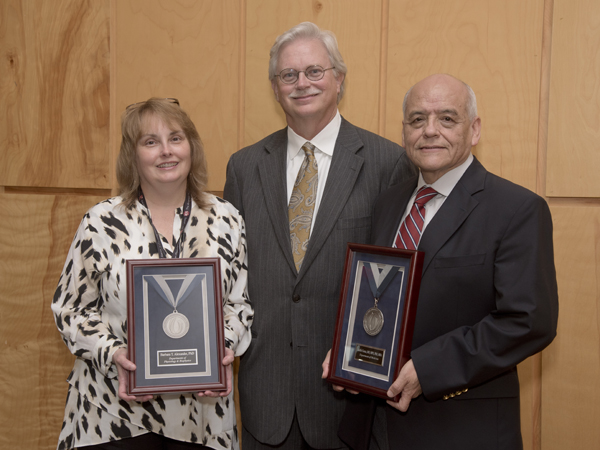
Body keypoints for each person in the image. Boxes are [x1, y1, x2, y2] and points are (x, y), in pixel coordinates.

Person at [334, 74, 559, 449]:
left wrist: (430, 367)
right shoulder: (388, 202)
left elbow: (529, 321)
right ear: (405, 130)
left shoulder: (517, 209)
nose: (430, 131)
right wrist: (346, 349)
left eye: (447, 119)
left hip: (459, 428)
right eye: (417, 119)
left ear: (474, 130)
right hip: (376, 430)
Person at [223, 22, 415, 450]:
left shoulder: (388, 163)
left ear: (339, 79)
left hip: (348, 399)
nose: (302, 83)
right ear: (275, 88)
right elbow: (230, 276)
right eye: (288, 75)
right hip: (265, 400)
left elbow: (398, 280)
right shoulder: (244, 167)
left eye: (315, 71)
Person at [51, 98, 253, 450]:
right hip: (113, 414)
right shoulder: (101, 221)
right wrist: (114, 354)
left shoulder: (227, 219)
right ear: (133, 155)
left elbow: (239, 306)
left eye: (175, 138)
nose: (166, 151)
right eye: (150, 142)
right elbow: (69, 311)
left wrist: (224, 346)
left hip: (202, 418)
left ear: (191, 146)